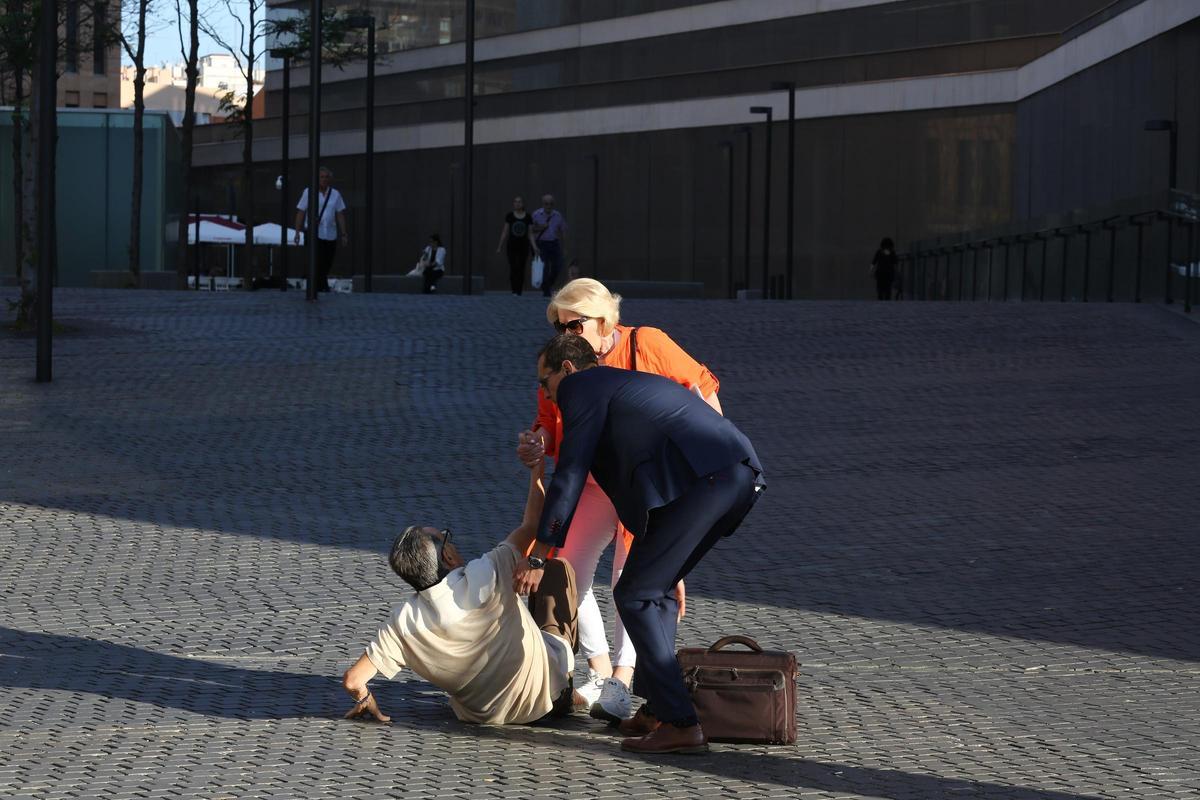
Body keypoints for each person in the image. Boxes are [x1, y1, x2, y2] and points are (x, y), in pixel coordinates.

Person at [515, 335, 763, 754]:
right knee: (656, 590)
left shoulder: (582, 388)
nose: (545, 392)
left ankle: (682, 723)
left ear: (569, 369)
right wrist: (665, 557)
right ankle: (659, 709)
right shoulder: (617, 387)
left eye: (546, 381)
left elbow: (571, 473)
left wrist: (541, 552)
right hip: (736, 477)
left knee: (633, 593)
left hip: (709, 481)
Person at [516, 279, 723, 725]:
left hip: (644, 484)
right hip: (592, 482)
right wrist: (538, 439)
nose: (564, 333)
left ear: (604, 318)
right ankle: (598, 666)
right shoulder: (563, 363)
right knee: (566, 569)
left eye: (574, 323)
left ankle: (622, 681)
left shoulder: (645, 343)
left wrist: (707, 458)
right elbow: (549, 420)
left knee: (634, 578)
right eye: (558, 325)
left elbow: (703, 389)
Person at [341, 461, 580, 726]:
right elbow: (534, 525)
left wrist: (365, 699)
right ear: (448, 555)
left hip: (484, 717)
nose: (450, 538)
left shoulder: (403, 622)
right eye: (445, 536)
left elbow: (353, 680)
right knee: (555, 569)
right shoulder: (486, 572)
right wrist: (537, 471)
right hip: (547, 701)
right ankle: (589, 680)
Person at [293, 167, 348, 293]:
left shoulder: (335, 194)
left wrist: (344, 233)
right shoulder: (308, 192)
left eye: (326, 177)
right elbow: (301, 211)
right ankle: (320, 287)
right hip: (314, 232)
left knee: (328, 260)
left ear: (330, 179)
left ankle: (320, 286)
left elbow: (340, 213)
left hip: (330, 233)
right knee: (317, 260)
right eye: (321, 177)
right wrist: (297, 231)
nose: (324, 179)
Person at [496, 196, 540, 295]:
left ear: (523, 204)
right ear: (513, 204)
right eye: (515, 202)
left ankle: (519, 290)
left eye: (519, 202)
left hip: (523, 246)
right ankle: (514, 290)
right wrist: (500, 246)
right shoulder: (510, 216)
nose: (517, 203)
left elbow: (530, 233)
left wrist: (534, 247)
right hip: (511, 246)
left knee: (521, 267)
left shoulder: (528, 217)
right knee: (513, 267)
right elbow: (505, 231)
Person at [531, 195, 567, 297]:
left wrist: (564, 247)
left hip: (554, 243)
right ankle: (546, 291)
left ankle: (547, 285)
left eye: (551, 204)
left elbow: (563, 230)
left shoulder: (557, 215)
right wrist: (541, 227)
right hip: (542, 243)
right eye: (546, 203)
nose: (549, 206)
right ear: (543, 204)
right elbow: (531, 230)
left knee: (557, 266)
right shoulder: (536, 214)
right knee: (545, 268)